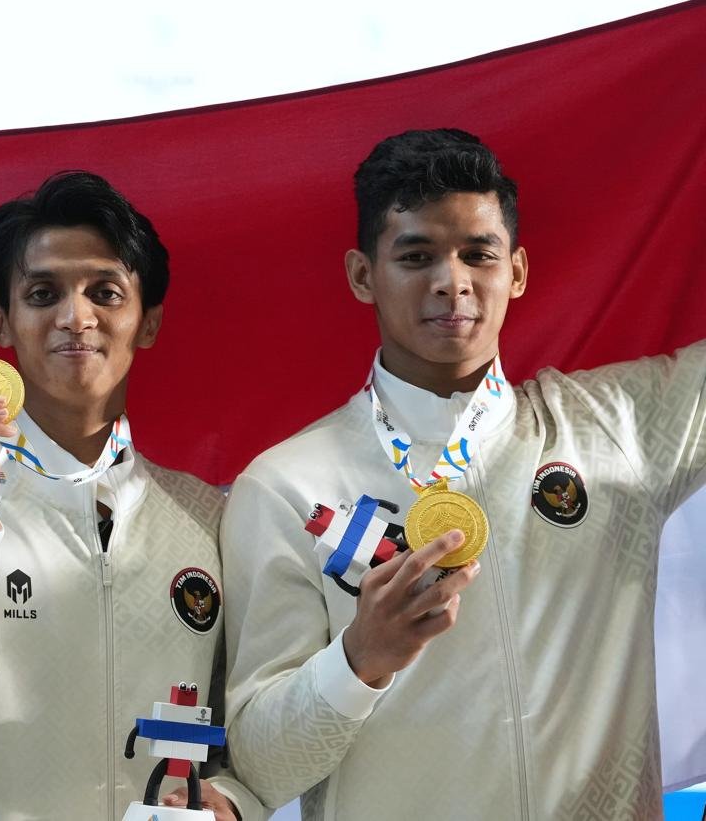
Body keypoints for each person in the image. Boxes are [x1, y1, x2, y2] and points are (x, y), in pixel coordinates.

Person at [221, 128, 705, 819]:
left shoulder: (618, 426)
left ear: (518, 271)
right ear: (362, 275)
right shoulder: (285, 487)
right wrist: (360, 659)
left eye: (479, 254)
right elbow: (261, 767)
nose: (453, 281)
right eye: (416, 256)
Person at [0, 171, 265, 820]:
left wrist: (235, 803)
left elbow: (244, 726)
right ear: (2, 321)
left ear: (148, 322)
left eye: (105, 292)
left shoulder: (207, 515)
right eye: (43, 293)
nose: (75, 318)